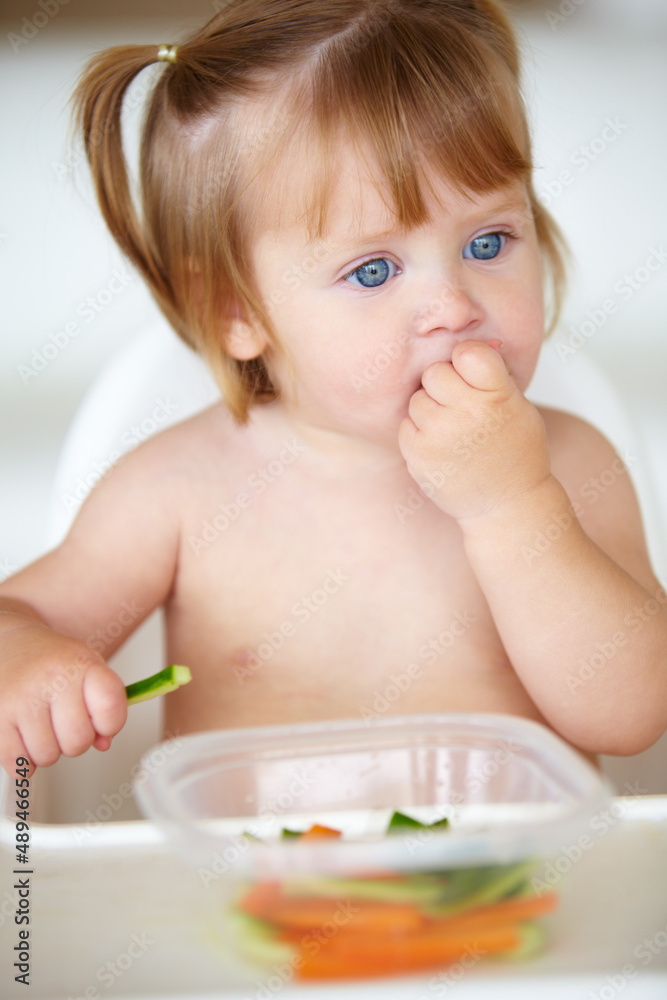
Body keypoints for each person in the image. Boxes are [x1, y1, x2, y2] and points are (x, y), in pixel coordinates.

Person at [1, 0, 665, 779]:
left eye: (487, 242)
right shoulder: (177, 491)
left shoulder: (567, 463)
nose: (453, 306)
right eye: (373, 270)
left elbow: (633, 714)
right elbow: (23, 616)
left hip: (505, 893)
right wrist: (29, 662)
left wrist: (511, 506)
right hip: (246, 897)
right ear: (235, 311)